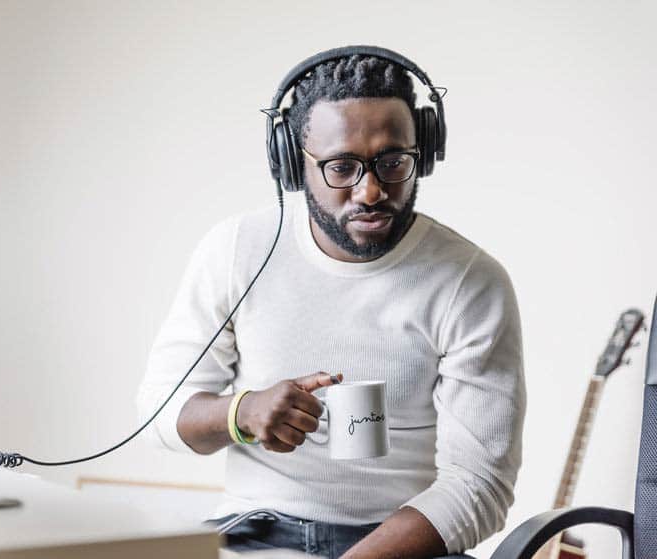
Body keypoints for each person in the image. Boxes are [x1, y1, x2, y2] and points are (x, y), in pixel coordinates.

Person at [136, 47, 525, 559]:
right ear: (294, 166)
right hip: (257, 535)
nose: (369, 191)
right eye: (342, 167)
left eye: (393, 163)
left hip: (403, 544)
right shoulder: (236, 250)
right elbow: (161, 414)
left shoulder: (470, 282)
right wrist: (242, 411)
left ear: (424, 155)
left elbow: (480, 485)